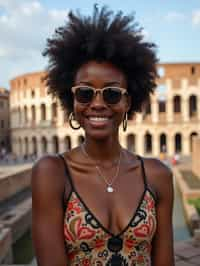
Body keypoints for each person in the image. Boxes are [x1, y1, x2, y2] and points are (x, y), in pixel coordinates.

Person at [32, 5, 174, 266]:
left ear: (128, 102)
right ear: (71, 99)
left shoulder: (158, 174)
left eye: (111, 94)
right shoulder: (52, 172)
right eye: (85, 93)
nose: (97, 104)